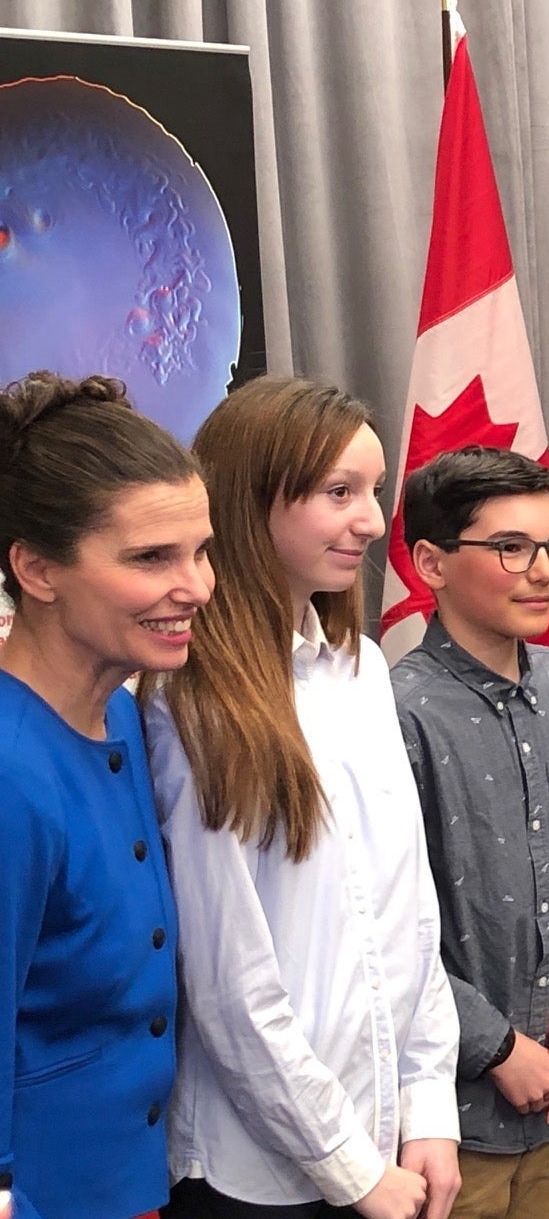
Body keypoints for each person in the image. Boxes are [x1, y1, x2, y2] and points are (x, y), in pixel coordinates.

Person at [145, 378, 461, 1219]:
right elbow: (227, 976)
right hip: (260, 1167)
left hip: (384, 1129)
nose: (371, 520)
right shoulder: (194, 698)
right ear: (251, 501)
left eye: (373, 490)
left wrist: (429, 1102)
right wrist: (347, 1163)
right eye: (338, 492)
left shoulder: (359, 668)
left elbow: (408, 909)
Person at [0, 372, 213, 1219]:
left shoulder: (124, 715)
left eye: (200, 550)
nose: (196, 585)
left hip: (133, 1183)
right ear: (37, 568)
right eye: (151, 557)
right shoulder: (10, 771)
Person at [390, 447, 549, 1219]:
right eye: (511, 548)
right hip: (448, 1115)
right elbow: (387, 931)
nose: (545, 569)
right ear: (431, 561)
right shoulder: (397, 712)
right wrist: (493, 1045)